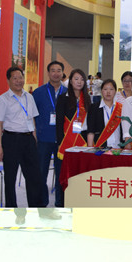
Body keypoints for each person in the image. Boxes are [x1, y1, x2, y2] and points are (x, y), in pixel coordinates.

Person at [0, 66, 44, 208]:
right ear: (8, 80)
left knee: (34, 177)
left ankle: (35, 208)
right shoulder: (3, 99)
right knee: (10, 178)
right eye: (14, 78)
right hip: (11, 140)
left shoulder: (29, 97)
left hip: (28, 139)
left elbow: (32, 119)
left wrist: (34, 139)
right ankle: (12, 209)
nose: (18, 81)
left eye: (20, 78)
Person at [31, 61, 65, 218]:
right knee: (40, 173)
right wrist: (34, 134)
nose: (56, 73)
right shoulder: (39, 92)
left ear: (62, 73)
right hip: (43, 139)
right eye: (53, 70)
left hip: (62, 141)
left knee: (61, 175)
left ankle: (60, 204)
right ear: (48, 73)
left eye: (59, 70)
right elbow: (31, 116)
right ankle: (42, 206)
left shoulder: (68, 92)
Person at [55, 68, 91, 208]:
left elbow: (89, 123)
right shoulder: (63, 98)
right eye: (76, 79)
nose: (79, 82)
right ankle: (62, 205)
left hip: (82, 142)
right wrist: (60, 142)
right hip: (66, 143)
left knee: (79, 175)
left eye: (82, 79)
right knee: (65, 176)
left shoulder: (87, 99)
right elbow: (59, 122)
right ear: (70, 81)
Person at [86, 79, 123, 148]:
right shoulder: (94, 108)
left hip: (118, 148)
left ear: (115, 91)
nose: (108, 92)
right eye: (105, 89)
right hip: (100, 148)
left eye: (111, 89)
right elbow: (91, 130)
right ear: (101, 91)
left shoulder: (120, 108)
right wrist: (90, 148)